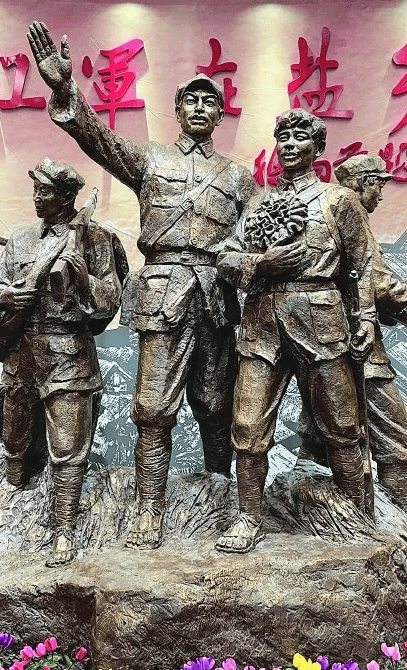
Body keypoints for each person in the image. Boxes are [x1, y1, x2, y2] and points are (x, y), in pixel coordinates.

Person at [28, 22, 258, 550]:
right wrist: (65, 89)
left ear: (221, 115)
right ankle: (149, 509)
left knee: (216, 406)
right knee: (153, 408)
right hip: (162, 294)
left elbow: (257, 235)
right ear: (177, 110)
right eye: (190, 100)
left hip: (216, 297)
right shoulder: (152, 159)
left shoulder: (239, 177)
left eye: (209, 102)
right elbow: (99, 141)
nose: (199, 108)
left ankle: (220, 498)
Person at [214, 109, 376, 553]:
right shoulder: (257, 205)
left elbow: (363, 265)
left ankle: (355, 515)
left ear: (318, 148)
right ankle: (248, 517)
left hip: (321, 321)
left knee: (342, 425)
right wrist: (259, 263)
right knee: (247, 426)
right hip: (262, 324)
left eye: (300, 137)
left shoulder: (338, 201)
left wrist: (365, 319)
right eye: (281, 136)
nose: (288, 144)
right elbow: (225, 259)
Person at [0, 158, 122, 567]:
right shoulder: (21, 239)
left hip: (69, 353)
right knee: (14, 441)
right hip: (21, 354)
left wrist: (84, 279)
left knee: (67, 448)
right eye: (35, 190)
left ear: (66, 197)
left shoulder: (96, 238)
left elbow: (111, 298)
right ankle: (7, 517)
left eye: (44, 192)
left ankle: (64, 530)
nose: (36, 198)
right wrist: (7, 296)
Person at [296, 155, 407, 512]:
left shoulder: (327, 214)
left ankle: (324, 507)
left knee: (321, 429)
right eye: (379, 184)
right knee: (393, 435)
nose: (381, 194)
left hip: (323, 337)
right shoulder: (351, 215)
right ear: (363, 183)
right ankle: (396, 513)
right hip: (355, 342)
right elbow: (376, 279)